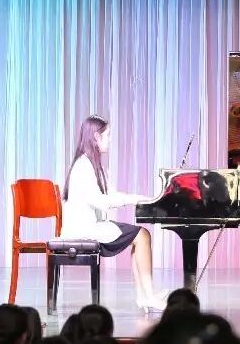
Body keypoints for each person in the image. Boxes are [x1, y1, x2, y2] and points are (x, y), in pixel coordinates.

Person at [60, 114, 164, 311]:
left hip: (92, 226)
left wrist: (137, 198)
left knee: (140, 236)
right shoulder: (83, 166)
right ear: (96, 137)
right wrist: (132, 199)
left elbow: (109, 194)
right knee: (142, 235)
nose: (110, 140)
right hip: (85, 230)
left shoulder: (93, 164)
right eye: (107, 135)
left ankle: (144, 296)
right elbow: (100, 201)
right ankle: (148, 296)